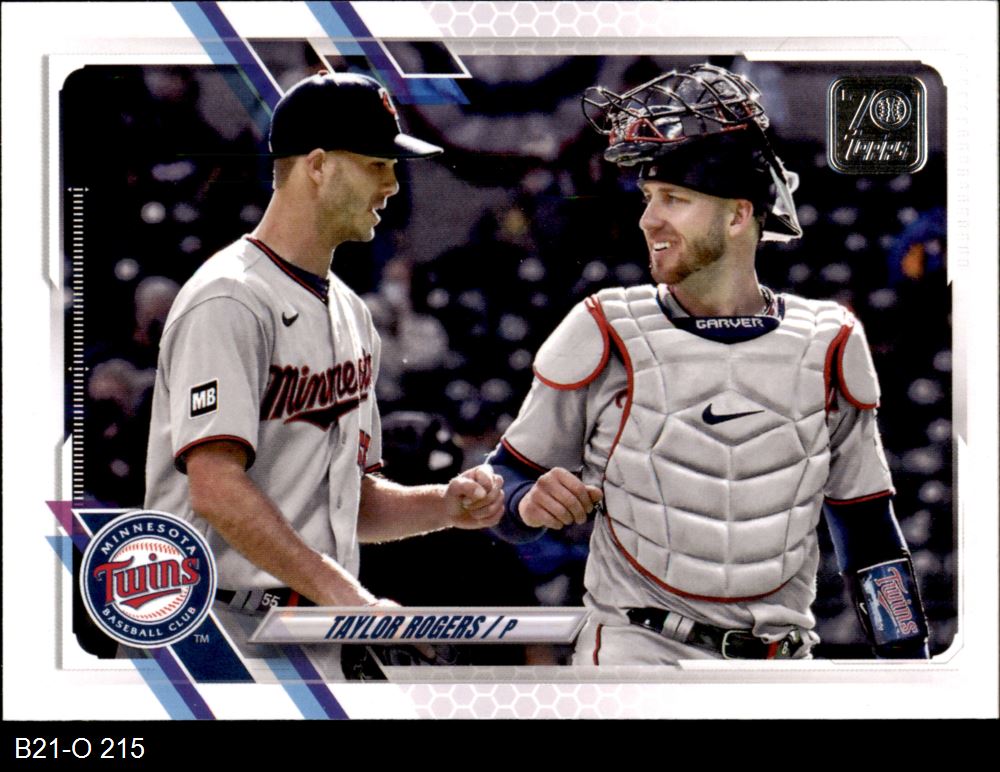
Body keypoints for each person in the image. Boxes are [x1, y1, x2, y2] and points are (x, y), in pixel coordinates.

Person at [488, 63, 930, 664]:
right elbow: (504, 484)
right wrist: (525, 503)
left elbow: (869, 531)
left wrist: (909, 665)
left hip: (779, 662)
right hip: (639, 652)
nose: (649, 220)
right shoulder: (603, 326)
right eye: (648, 199)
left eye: (674, 199)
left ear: (738, 215)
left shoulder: (829, 338)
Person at [143, 71, 503, 679]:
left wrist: (443, 505)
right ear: (317, 166)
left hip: (313, 630)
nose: (392, 184)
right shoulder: (230, 298)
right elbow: (215, 488)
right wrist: (351, 599)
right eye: (376, 164)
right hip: (215, 629)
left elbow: (347, 502)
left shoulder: (352, 313)